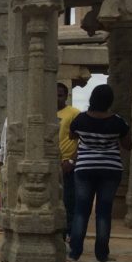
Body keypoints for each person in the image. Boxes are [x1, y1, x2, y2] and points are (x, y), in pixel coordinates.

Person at [67, 84, 131, 262]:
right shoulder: (118, 121)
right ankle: (102, 254)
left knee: (81, 210)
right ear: (110, 101)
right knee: (104, 212)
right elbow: (128, 145)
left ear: (92, 99)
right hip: (111, 169)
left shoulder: (80, 119)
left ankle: (75, 251)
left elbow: (72, 136)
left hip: (85, 167)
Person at [57, 82, 80, 238]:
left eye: (60, 95)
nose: (56, 98)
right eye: (54, 95)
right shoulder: (43, 113)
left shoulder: (74, 113)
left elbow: (82, 139)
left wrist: (72, 161)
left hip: (67, 164)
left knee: (68, 201)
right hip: (49, 163)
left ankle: (69, 233)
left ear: (66, 96)